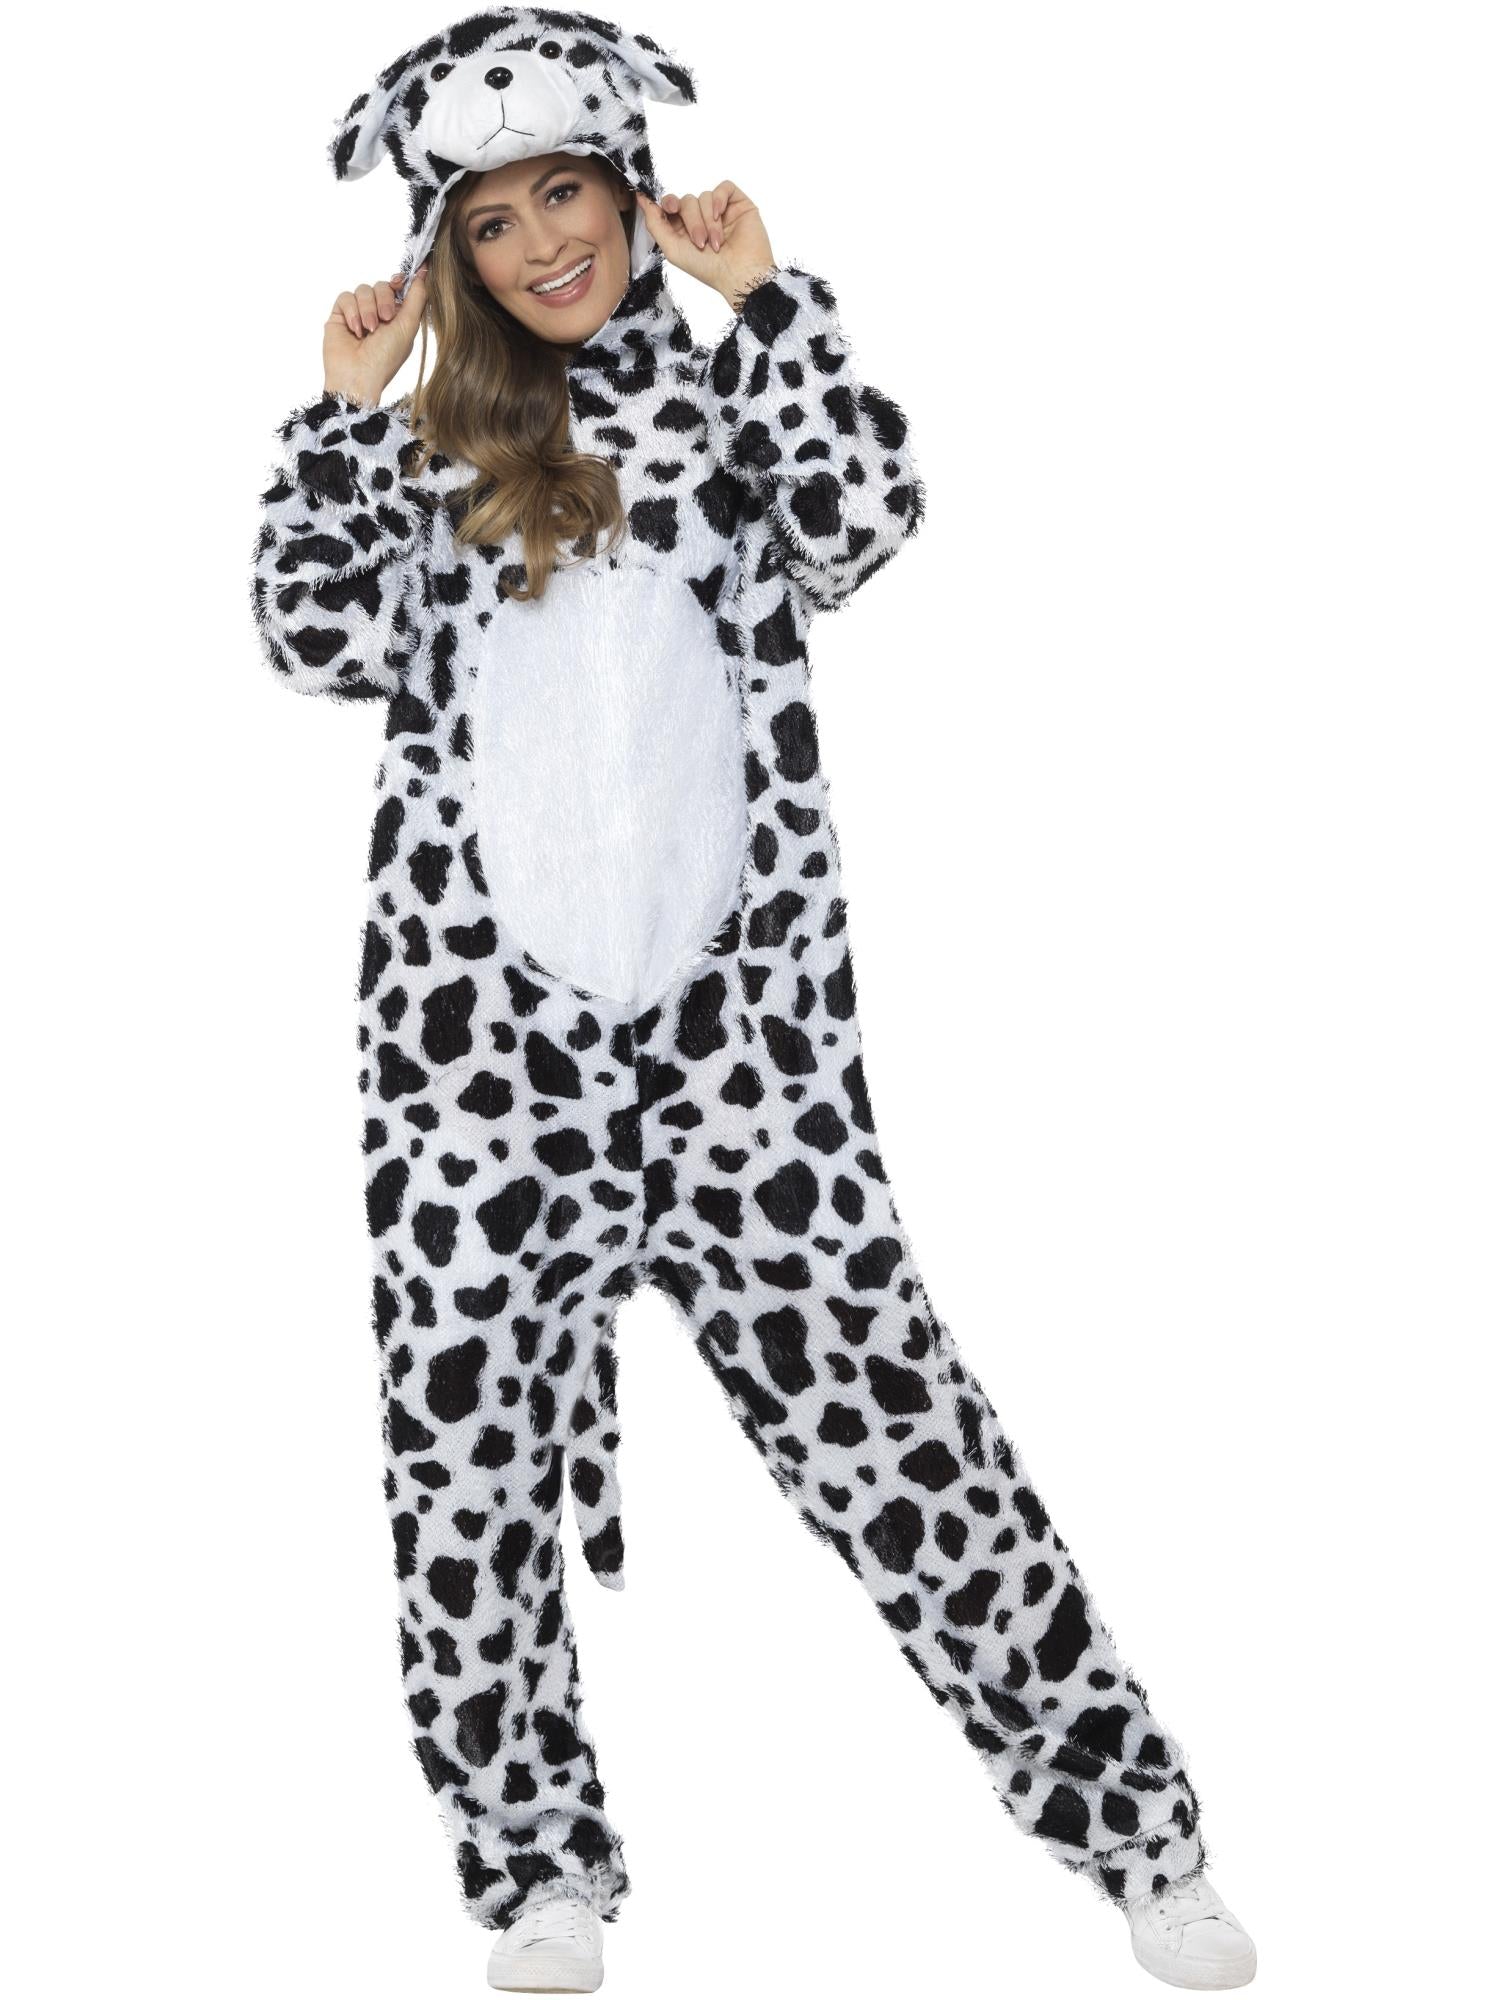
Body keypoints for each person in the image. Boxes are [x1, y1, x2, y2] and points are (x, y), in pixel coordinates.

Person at [249, 11, 1258, 1992]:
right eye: (490, 220)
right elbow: (307, 633)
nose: (542, 244)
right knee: (464, 1479)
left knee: (908, 1436)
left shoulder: (725, 412)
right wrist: (344, 412)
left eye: (566, 194)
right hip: (479, 1073)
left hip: (743, 1062)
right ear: (445, 251)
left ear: (629, 189)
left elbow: (867, 513)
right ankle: (533, 1868)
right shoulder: (433, 457)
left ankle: (1138, 1832)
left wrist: (767, 296)